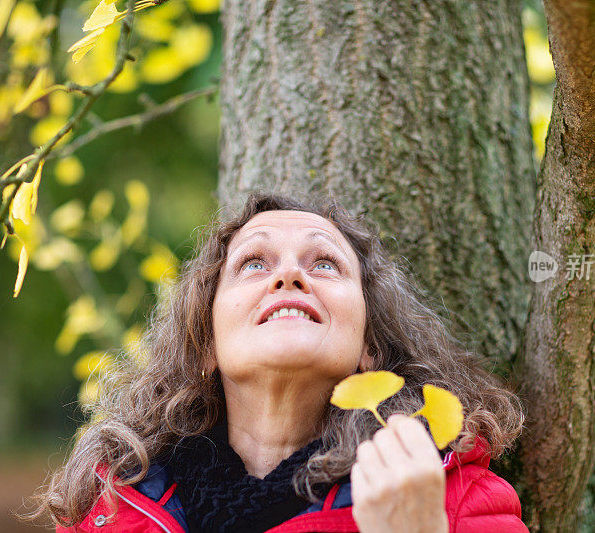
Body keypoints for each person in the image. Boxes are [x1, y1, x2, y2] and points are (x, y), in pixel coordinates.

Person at [33, 191, 528, 532]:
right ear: (203, 342)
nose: (289, 275)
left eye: (325, 263)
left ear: (368, 348)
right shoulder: (111, 509)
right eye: (254, 263)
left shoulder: (450, 496)